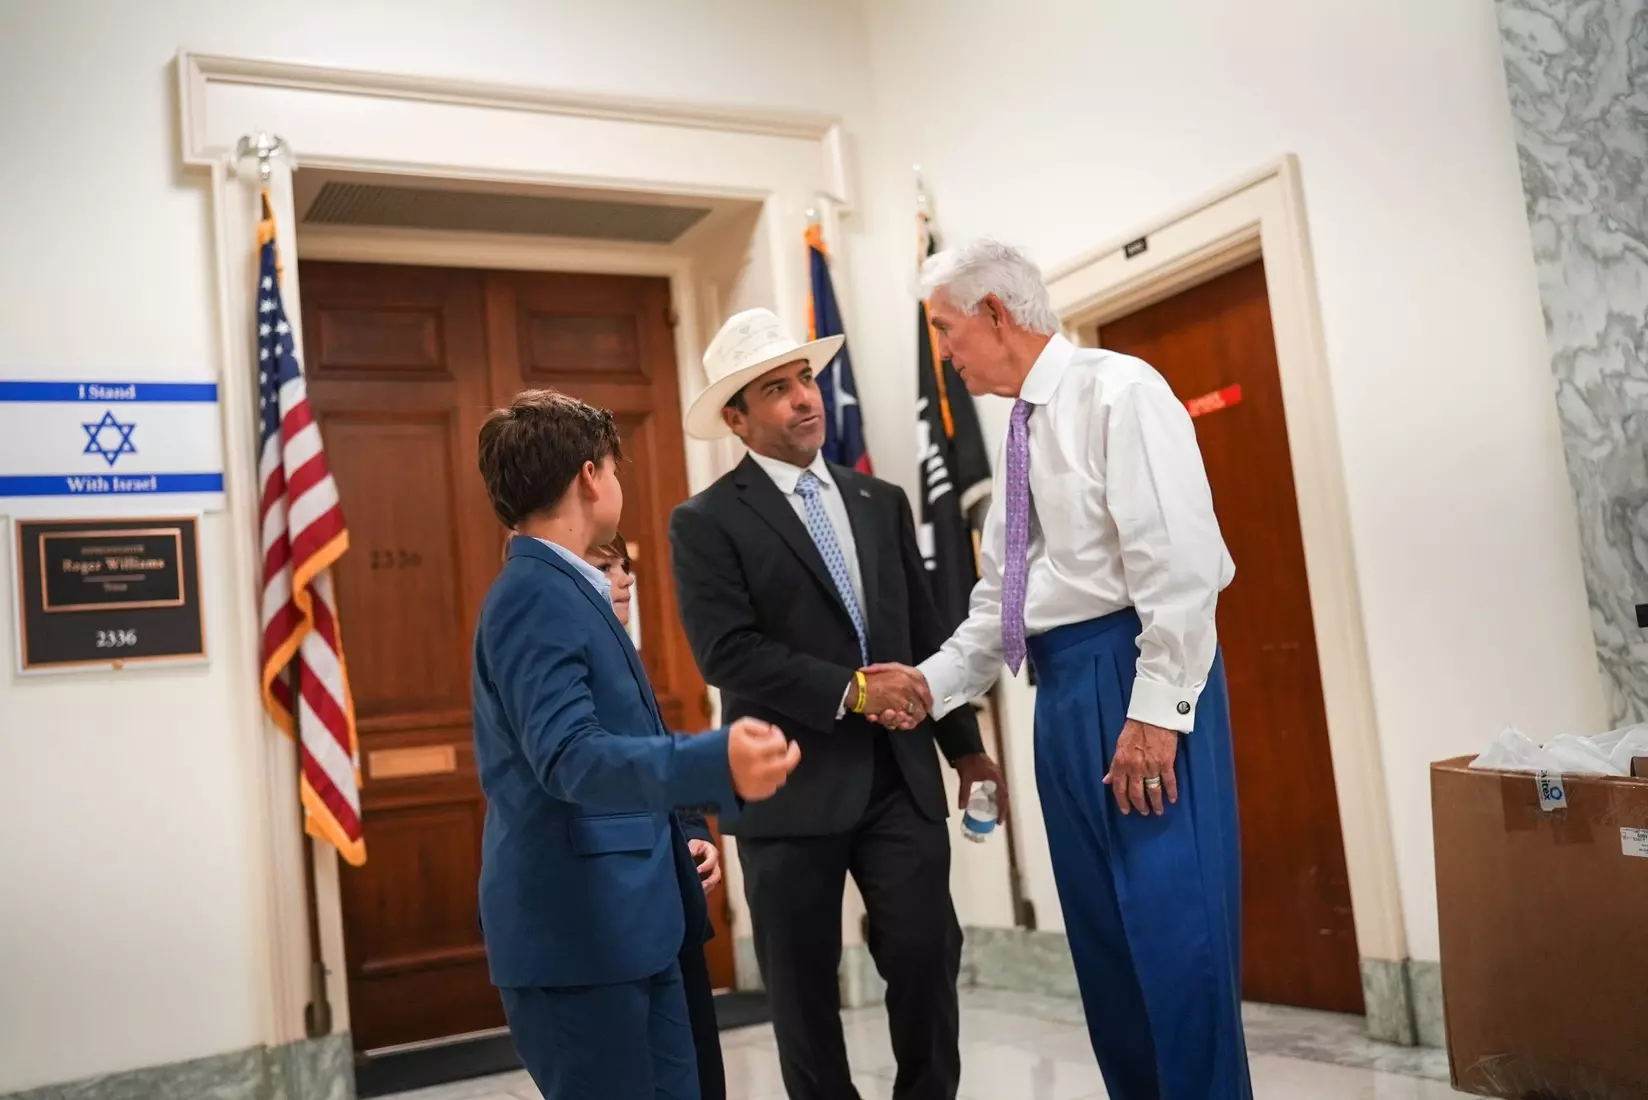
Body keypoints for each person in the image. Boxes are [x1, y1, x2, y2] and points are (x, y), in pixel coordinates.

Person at [867, 240, 1251, 1100]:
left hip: (1136, 682)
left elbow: (1181, 568)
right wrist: (932, 682)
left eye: (946, 329)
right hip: (1062, 693)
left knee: (1178, 949)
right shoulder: (1020, 430)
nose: (945, 352)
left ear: (995, 313)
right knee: (1108, 957)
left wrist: (1154, 715)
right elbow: (1003, 602)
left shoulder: (1121, 392)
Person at [668, 308, 1006, 1100]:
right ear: (736, 418)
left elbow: (925, 634)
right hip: (785, 787)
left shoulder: (880, 500)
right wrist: (854, 691)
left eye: (806, 380)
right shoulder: (705, 522)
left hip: (898, 778)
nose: (804, 399)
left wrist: (966, 749)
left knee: (927, 957)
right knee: (804, 995)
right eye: (776, 390)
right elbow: (727, 653)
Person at [471, 388, 800, 1100]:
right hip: (580, 937)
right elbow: (570, 756)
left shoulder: (572, 587)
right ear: (591, 476)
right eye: (615, 470)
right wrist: (713, 761)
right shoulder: (534, 593)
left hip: (632, 925)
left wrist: (683, 828)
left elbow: (621, 735)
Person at [585, 532, 727, 1100]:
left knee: (698, 1077)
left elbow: (660, 765)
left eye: (624, 566)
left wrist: (694, 833)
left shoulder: (628, 659)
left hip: (669, 907)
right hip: (609, 914)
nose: (625, 578)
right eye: (605, 566)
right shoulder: (562, 658)